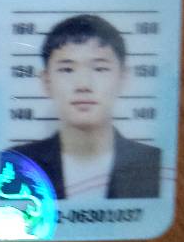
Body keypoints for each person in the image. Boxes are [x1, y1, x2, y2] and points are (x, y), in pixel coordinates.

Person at [10, 14, 161, 200]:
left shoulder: (155, 164)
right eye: (67, 70)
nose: (83, 85)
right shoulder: (16, 166)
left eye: (99, 69)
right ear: (46, 81)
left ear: (123, 78)